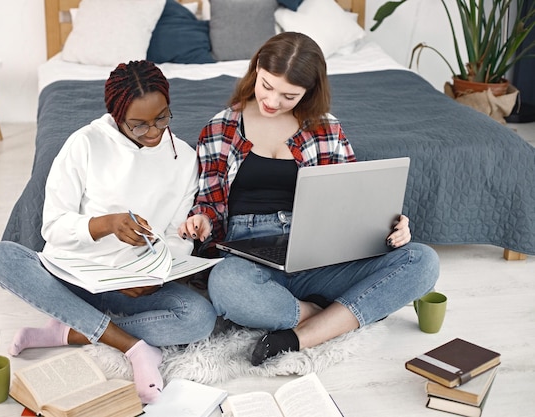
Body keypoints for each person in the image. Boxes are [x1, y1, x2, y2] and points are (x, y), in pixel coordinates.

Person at [178, 32, 440, 366]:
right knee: (226, 287)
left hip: (319, 253)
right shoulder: (220, 128)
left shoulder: (326, 129)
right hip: (249, 256)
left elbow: (354, 199)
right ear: (257, 68)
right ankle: (324, 312)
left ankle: (298, 336)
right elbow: (210, 204)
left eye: (289, 95)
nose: (272, 102)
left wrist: (394, 223)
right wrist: (201, 219)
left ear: (309, 91)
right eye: (267, 86)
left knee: (423, 261)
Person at [0, 60, 217, 403]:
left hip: (131, 286)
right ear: (117, 114)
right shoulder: (84, 144)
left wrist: (157, 274)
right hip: (73, 276)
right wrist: (104, 224)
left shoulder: (184, 157)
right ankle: (134, 347)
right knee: (0, 257)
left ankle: (70, 332)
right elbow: (52, 226)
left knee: (200, 318)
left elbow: (173, 234)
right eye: (140, 125)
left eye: (162, 118)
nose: (154, 133)